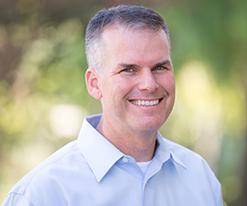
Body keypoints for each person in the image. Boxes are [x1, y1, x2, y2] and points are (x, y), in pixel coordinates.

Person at [3, 4, 224, 206]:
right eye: (128, 69)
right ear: (94, 83)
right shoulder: (43, 194)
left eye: (159, 68)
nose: (149, 84)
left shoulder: (200, 177)